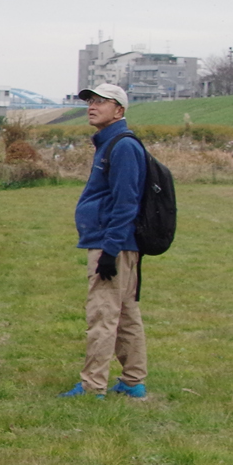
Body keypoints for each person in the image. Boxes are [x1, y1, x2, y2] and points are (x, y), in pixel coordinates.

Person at [62, 83, 148, 399]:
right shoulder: (110, 143)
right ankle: (133, 381)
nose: (92, 106)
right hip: (118, 242)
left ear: (120, 110)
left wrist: (109, 250)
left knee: (102, 314)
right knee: (125, 314)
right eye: (90, 101)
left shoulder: (122, 146)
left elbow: (127, 201)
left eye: (102, 101)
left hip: (113, 243)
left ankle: (92, 385)